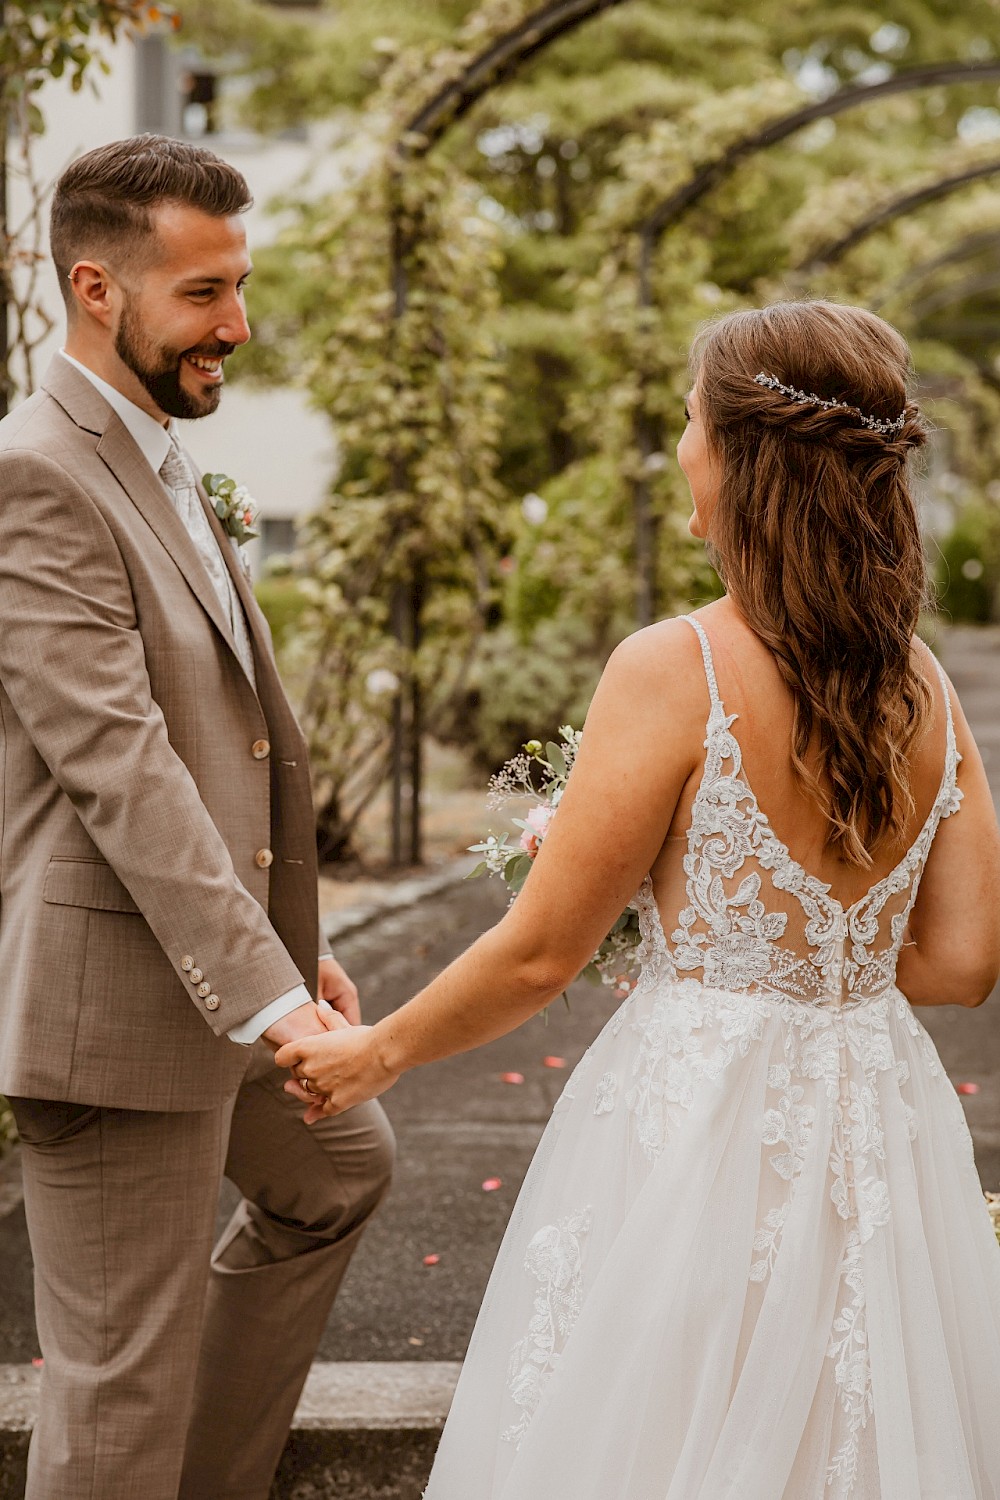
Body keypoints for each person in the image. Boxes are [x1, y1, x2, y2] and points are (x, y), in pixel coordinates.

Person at [279, 301, 1000, 1498]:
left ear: (741, 458)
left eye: (686, 420)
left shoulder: (676, 666)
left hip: (698, 1124)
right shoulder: (924, 684)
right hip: (877, 1113)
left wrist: (376, 1053)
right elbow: (965, 961)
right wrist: (827, 970)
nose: (679, 448)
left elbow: (537, 956)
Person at [0, 134, 394, 1500]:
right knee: (118, 1388)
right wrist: (271, 999)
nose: (238, 323)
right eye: (204, 294)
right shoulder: (38, 471)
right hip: (115, 1006)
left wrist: (289, 953)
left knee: (338, 1172)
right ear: (97, 289)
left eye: (241, 285)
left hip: (214, 985)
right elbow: (121, 767)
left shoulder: (155, 449)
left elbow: (223, 734)